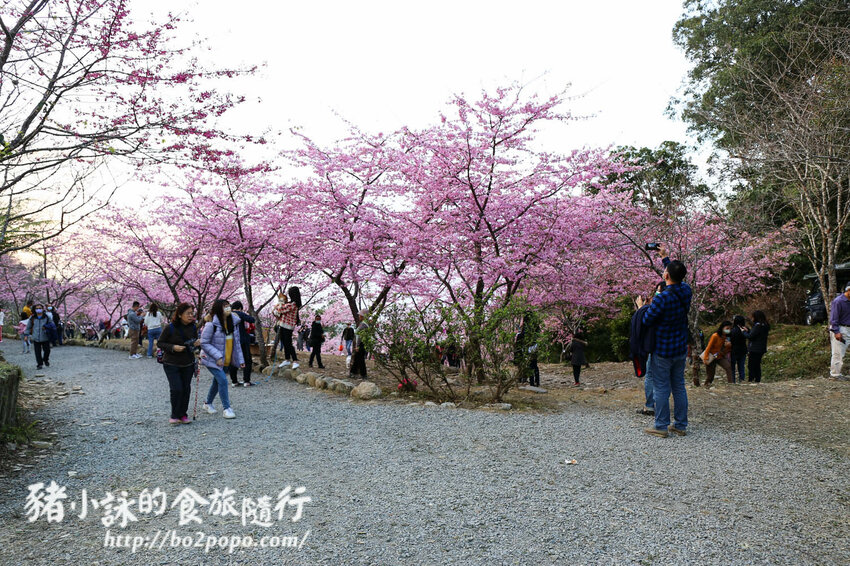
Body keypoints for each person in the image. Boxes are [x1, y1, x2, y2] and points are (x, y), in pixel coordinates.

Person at [642, 244, 692, 438]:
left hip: (663, 349)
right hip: (680, 348)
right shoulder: (686, 291)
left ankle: (661, 426)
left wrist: (645, 305)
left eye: (665, 271)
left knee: (661, 386)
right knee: (678, 385)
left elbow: (647, 320)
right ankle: (680, 425)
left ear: (666, 276)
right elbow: (676, 275)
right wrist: (665, 258)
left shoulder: (662, 298)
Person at [201, 299, 245, 419]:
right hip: (213, 359)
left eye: (228, 306)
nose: (228, 308)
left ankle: (207, 403)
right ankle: (227, 408)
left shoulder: (233, 324)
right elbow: (204, 343)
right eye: (225, 306)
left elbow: (236, 344)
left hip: (227, 359)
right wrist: (218, 356)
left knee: (217, 381)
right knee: (223, 381)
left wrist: (240, 360)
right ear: (218, 309)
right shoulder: (211, 325)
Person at [157, 302, 200, 425]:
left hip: (188, 363)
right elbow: (160, 343)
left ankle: (183, 414)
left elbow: (192, 344)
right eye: (188, 313)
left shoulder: (192, 327)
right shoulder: (170, 328)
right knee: (176, 389)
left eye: (192, 313)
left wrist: (197, 346)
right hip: (171, 363)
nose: (191, 316)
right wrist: (173, 347)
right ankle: (174, 415)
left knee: (186, 389)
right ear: (180, 315)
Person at [632, 282, 664, 416]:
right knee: (673, 381)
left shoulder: (660, 306)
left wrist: (641, 308)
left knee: (651, 376)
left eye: (658, 291)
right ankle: (667, 410)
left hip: (657, 347)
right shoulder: (678, 303)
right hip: (675, 349)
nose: (655, 294)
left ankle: (651, 406)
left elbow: (644, 321)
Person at [273, 287, 301, 370]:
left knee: (288, 343)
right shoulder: (291, 303)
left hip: (287, 326)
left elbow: (280, 309)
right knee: (285, 343)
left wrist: (280, 302)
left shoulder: (293, 304)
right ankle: (287, 359)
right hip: (283, 325)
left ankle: (295, 360)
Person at [229, 301, 256, 387]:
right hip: (242, 340)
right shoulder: (239, 313)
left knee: (233, 360)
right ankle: (246, 381)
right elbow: (252, 320)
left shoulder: (227, 315)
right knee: (247, 360)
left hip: (231, 341)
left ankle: (234, 381)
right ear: (240, 308)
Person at [702, 321, 734, 386]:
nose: (729, 330)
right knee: (711, 375)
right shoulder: (715, 336)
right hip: (711, 356)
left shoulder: (726, 337)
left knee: (728, 367)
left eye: (730, 329)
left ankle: (731, 384)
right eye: (727, 328)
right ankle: (706, 386)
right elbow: (708, 347)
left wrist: (728, 346)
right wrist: (705, 358)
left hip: (720, 356)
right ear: (722, 328)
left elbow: (725, 349)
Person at [828, 282, 850, 379]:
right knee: (838, 352)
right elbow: (833, 318)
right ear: (848, 290)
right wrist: (836, 331)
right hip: (841, 328)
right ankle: (835, 374)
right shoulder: (838, 301)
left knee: (842, 352)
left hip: (848, 328)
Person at [27, 304, 56, 370]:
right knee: (37, 352)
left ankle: (45, 359)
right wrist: (26, 335)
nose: (38, 309)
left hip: (45, 336)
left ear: (43, 309)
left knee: (47, 350)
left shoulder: (47, 317)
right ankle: (39, 364)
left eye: (40, 308)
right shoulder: (32, 318)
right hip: (36, 337)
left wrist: (46, 327)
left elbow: (52, 325)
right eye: (37, 308)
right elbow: (28, 327)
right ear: (35, 309)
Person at [744, 310, 770, 383]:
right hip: (761, 348)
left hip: (755, 348)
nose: (752, 318)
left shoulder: (758, 326)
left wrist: (744, 332)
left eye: (752, 317)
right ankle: (757, 379)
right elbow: (756, 335)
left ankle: (751, 379)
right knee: (757, 364)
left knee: (751, 365)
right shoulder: (765, 325)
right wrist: (749, 330)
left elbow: (750, 336)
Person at [350, 309, 369, 380]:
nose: (359, 316)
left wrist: (357, 346)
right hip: (363, 343)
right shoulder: (365, 324)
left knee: (360, 360)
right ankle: (353, 372)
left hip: (361, 344)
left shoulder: (363, 325)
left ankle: (363, 375)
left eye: (360, 315)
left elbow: (360, 336)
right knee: (357, 358)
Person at [729, 315, 748, 384]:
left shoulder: (732, 330)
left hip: (734, 350)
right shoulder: (745, 329)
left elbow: (726, 334)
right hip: (743, 350)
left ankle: (732, 381)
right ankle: (742, 380)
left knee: (732, 367)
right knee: (741, 366)